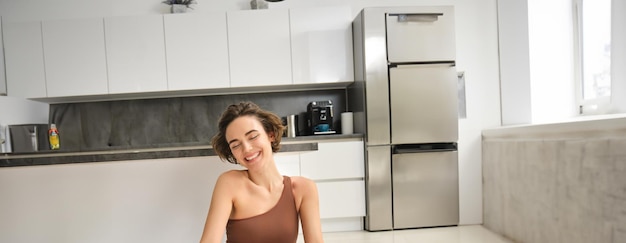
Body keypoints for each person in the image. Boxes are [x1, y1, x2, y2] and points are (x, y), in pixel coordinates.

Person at [199, 101, 324, 243]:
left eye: (252, 137)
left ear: (270, 135)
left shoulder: (303, 189)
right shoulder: (229, 183)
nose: (246, 149)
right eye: (236, 145)